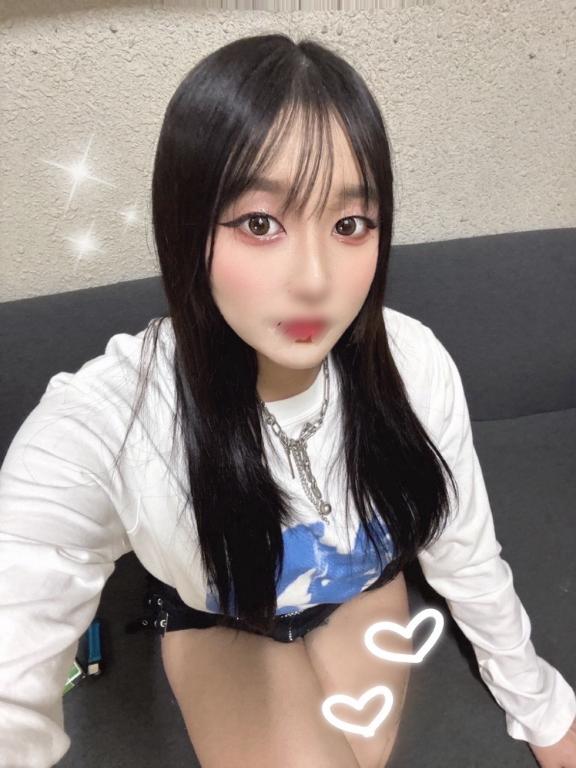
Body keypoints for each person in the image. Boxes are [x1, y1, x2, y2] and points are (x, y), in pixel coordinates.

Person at [1, 32, 575, 768]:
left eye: (348, 225)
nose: (314, 280)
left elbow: (463, 549)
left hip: (364, 592)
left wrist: (543, 707)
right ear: (187, 228)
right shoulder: (110, 420)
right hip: (223, 622)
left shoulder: (414, 362)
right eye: (260, 223)